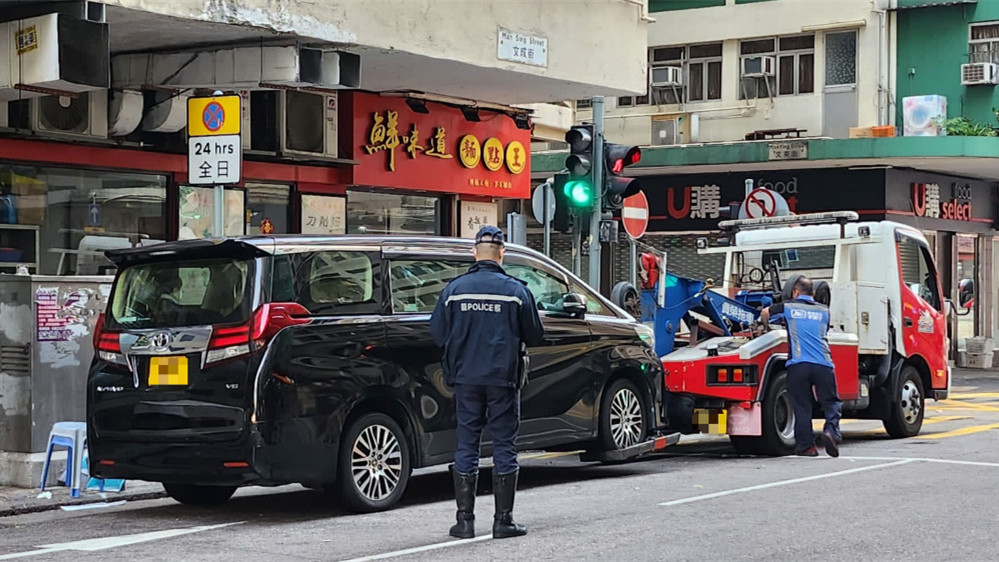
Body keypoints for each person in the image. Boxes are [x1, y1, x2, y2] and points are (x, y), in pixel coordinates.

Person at [430, 226, 544, 540]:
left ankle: (464, 522)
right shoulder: (517, 291)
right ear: (502, 254)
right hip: (503, 380)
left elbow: (438, 334)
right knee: (504, 445)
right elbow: (535, 335)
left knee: (467, 444)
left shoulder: (454, 290)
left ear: (474, 252)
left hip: (465, 379)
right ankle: (502, 521)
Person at [760, 276, 842, 458]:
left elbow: (766, 313)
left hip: (799, 365)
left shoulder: (788, 306)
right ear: (813, 293)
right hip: (823, 365)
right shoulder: (824, 311)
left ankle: (807, 447)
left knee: (802, 406)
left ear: (795, 292)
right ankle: (831, 431)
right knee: (831, 402)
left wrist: (765, 325)